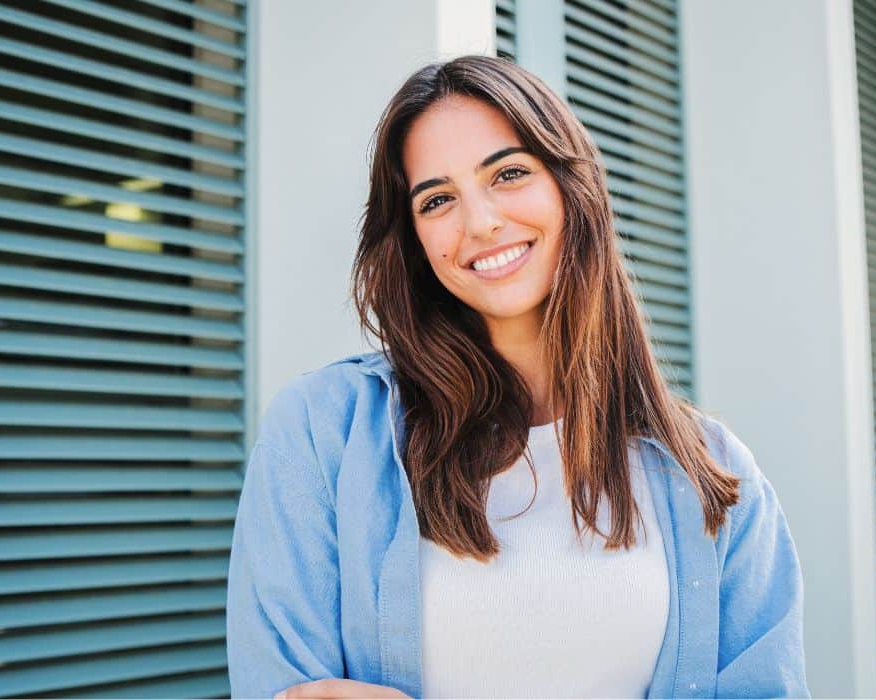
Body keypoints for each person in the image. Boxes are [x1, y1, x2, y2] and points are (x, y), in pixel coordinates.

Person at [227, 55, 809, 699]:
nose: (479, 223)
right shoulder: (320, 433)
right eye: (438, 199)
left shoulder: (714, 475)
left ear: (571, 187)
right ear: (414, 236)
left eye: (508, 173)